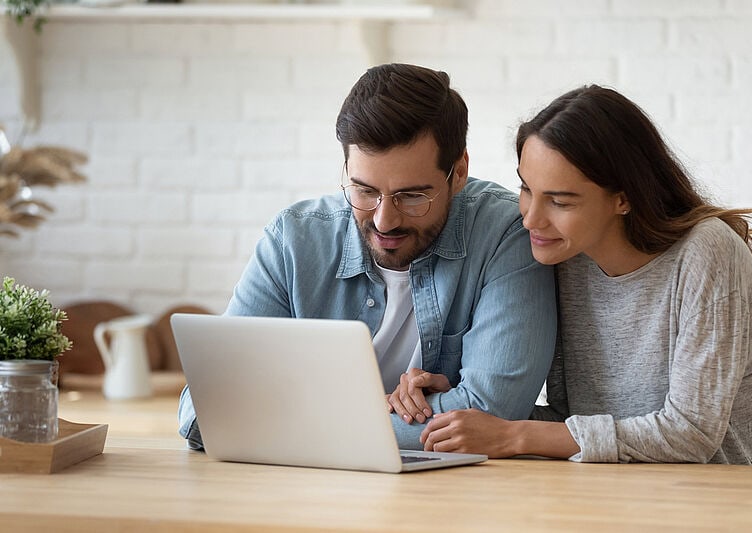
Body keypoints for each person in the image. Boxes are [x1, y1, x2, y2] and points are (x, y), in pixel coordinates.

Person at [178, 63, 557, 450]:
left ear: (458, 172)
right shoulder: (293, 240)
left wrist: (292, 420)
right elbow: (203, 411)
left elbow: (494, 412)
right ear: (345, 168)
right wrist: (373, 415)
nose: (384, 220)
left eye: (411, 196)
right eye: (364, 190)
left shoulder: (506, 234)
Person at [419, 85, 752, 466]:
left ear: (623, 198)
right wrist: (467, 411)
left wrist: (516, 434)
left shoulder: (706, 252)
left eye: (560, 201)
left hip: (740, 502)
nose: (530, 218)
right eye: (526, 189)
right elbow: (579, 429)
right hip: (628, 495)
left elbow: (691, 434)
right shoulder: (566, 258)